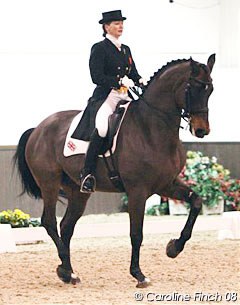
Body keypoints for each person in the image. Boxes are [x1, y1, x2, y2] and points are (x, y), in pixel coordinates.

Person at [80, 9, 146, 193]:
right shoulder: (99, 48)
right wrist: (117, 81)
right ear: (106, 27)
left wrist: (141, 80)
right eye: (116, 23)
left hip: (125, 95)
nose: (120, 26)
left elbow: (133, 72)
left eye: (121, 23)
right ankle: (87, 173)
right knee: (102, 127)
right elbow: (96, 76)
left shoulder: (125, 49)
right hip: (106, 96)